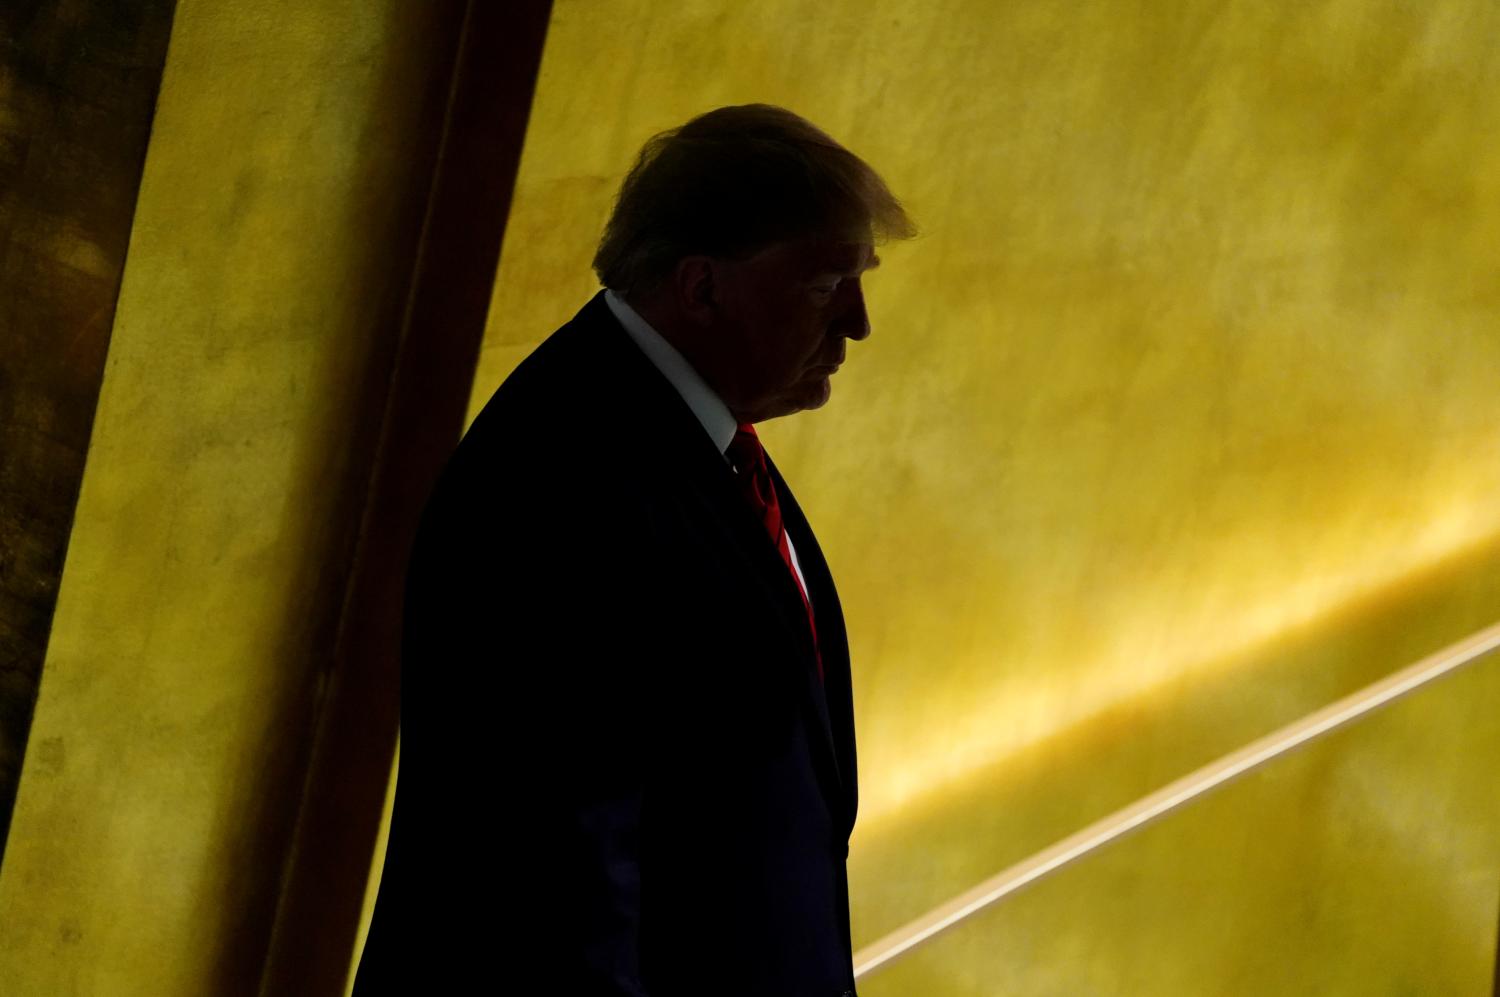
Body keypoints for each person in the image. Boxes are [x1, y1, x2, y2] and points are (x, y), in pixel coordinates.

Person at [354, 103, 915, 996]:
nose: (857, 323)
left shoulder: (693, 447)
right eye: (823, 284)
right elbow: (551, 887)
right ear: (699, 288)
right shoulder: (561, 482)